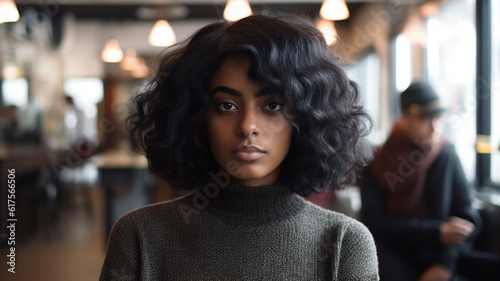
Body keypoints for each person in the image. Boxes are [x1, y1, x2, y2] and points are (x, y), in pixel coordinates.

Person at [100, 14, 378, 280]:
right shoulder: (140, 236)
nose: (247, 126)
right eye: (226, 106)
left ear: (306, 118)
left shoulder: (344, 244)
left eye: (272, 105)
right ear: (198, 119)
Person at [360, 82, 482, 281]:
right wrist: (436, 233)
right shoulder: (379, 161)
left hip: (437, 259)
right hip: (389, 258)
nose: (435, 126)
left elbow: (466, 220)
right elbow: (373, 221)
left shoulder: (446, 155)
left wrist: (444, 266)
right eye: (426, 118)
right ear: (406, 118)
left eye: (438, 116)